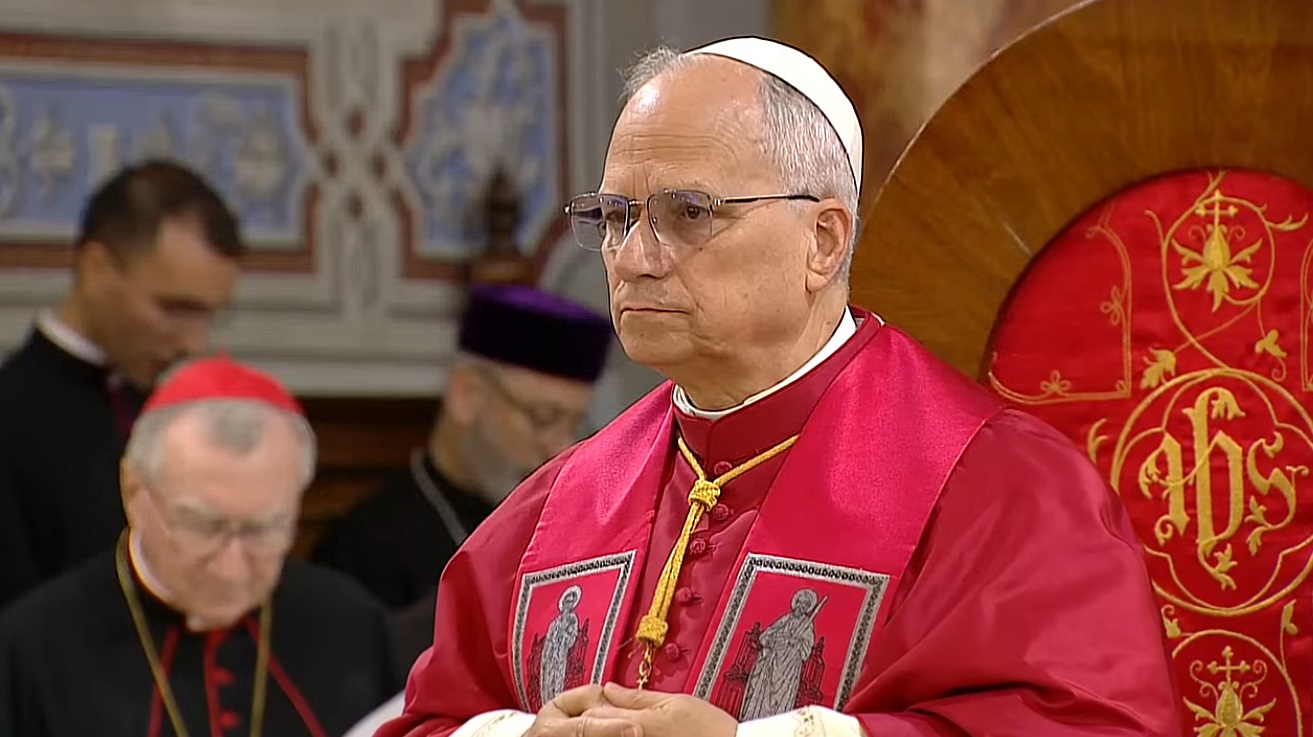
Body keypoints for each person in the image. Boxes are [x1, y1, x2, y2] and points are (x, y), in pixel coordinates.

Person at [376, 35, 1183, 737]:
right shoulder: (555, 507)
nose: (633, 257)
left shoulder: (999, 489)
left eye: (688, 213)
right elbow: (427, 719)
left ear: (822, 241)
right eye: (616, 216)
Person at [0, 355, 401, 737]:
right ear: (134, 491)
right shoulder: (33, 650)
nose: (231, 567)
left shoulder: (354, 628)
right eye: (204, 526)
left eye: (263, 529)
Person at [312, 283, 613, 664]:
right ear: (466, 394)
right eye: (543, 418)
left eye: (575, 424)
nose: (560, 448)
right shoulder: (366, 547)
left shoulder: (573, 530)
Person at [0, 160, 243, 610]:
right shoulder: (12, 417)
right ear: (96, 269)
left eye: (211, 314)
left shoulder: (170, 418)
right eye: (175, 308)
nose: (194, 343)